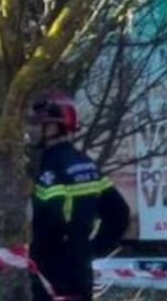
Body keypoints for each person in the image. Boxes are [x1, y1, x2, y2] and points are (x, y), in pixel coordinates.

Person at [27, 91, 129, 301]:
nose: (31, 129)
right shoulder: (86, 164)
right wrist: (90, 249)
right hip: (80, 273)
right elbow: (119, 214)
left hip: (52, 275)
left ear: (55, 126)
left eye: (38, 124)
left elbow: (52, 220)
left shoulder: (51, 168)